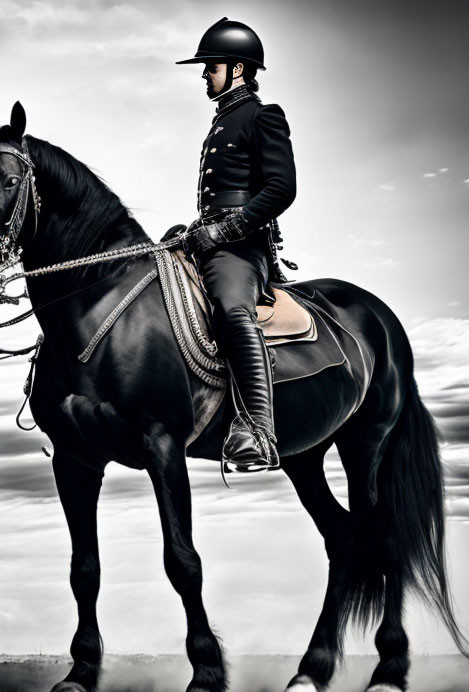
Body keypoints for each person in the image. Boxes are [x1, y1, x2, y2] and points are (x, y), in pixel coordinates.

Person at [176, 17, 297, 472]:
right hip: (209, 237)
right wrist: (197, 229)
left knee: (231, 309)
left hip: (242, 247)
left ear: (239, 69)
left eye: (211, 66)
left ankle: (257, 429)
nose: (205, 74)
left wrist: (224, 231)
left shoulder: (263, 116)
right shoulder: (222, 120)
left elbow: (281, 188)